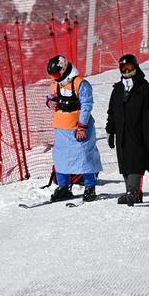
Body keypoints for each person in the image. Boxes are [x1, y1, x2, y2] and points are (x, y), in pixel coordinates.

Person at [45, 55, 102, 202]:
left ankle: (90, 187)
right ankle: (63, 187)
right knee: (61, 158)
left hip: (78, 128)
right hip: (61, 128)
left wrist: (82, 127)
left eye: (57, 74)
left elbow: (86, 105)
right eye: (53, 75)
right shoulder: (56, 84)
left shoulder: (80, 84)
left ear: (64, 69)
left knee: (84, 156)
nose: (55, 78)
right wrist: (50, 103)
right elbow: (49, 97)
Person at [105, 53, 149, 206]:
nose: (126, 71)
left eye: (129, 67)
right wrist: (110, 131)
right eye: (123, 68)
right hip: (122, 133)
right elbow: (112, 112)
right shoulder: (118, 89)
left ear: (135, 66)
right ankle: (132, 192)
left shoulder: (144, 88)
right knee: (125, 163)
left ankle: (133, 192)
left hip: (138, 133)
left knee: (135, 162)